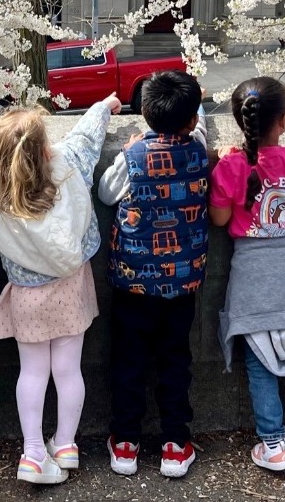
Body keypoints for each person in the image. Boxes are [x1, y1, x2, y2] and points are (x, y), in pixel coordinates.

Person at [0, 92, 121, 485]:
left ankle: (33, 451)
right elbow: (86, 138)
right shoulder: (69, 165)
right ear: (45, 149)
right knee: (69, 371)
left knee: (32, 373)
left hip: (27, 296)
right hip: (71, 287)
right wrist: (104, 107)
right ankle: (66, 443)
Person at [208, 77, 285, 473]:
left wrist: (225, 166)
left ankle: (274, 443)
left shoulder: (233, 163)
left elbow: (220, 218)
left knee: (260, 357)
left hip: (253, 270)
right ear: (283, 121)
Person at [96, 72, 209, 478]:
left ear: (144, 114)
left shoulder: (133, 157)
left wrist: (129, 150)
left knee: (128, 362)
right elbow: (200, 126)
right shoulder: (199, 151)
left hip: (134, 281)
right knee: (175, 360)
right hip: (182, 282)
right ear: (192, 119)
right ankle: (176, 444)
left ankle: (125, 443)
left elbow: (107, 194)